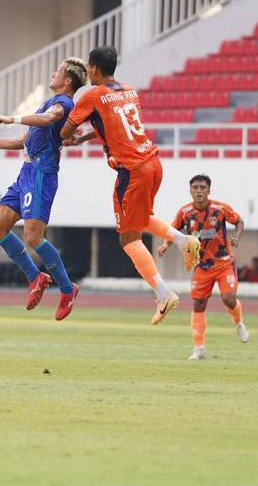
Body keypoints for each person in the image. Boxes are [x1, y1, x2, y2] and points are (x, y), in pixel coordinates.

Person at [60, 46, 201, 324]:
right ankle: (183, 240)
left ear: (95, 69)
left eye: (89, 67)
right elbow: (113, 125)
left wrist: (67, 133)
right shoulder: (129, 90)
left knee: (128, 237)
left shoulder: (93, 95)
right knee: (140, 219)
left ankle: (163, 294)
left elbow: (65, 129)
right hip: (153, 162)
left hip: (132, 171)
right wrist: (86, 137)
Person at [0, 57, 88, 320]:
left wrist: (12, 117)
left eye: (58, 71)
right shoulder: (48, 104)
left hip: (41, 175)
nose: (53, 73)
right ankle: (36, 277)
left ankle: (68, 289)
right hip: (26, 173)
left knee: (34, 237)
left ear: (67, 80)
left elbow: (49, 119)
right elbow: (23, 141)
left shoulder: (63, 104)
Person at [158, 174, 248, 361]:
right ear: (190, 191)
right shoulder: (185, 213)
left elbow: (239, 221)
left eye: (202, 187)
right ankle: (199, 349)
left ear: (209, 190)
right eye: (195, 188)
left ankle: (238, 323)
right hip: (201, 266)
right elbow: (173, 231)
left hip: (224, 262)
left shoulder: (220, 209)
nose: (199, 191)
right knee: (198, 304)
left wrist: (237, 237)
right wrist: (166, 245)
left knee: (229, 299)